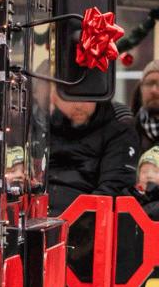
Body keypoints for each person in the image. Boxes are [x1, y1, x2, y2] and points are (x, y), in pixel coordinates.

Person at [47, 86, 139, 216]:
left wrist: (77, 220)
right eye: (70, 96)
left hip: (86, 225)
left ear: (100, 95)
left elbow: (113, 189)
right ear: (54, 97)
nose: (79, 105)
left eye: (87, 95)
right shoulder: (40, 129)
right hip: (32, 220)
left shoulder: (118, 135)